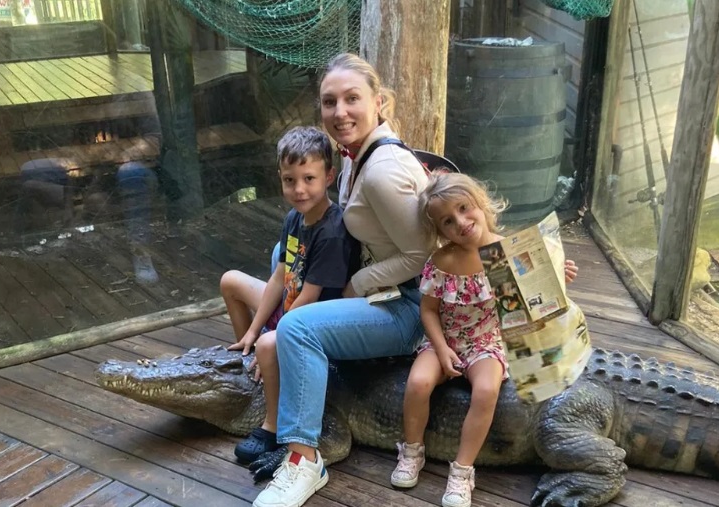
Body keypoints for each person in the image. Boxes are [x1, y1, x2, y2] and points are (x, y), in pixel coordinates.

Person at [251, 53, 431, 507]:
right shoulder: (355, 155)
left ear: (379, 102)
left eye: (352, 99)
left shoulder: (383, 170)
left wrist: (358, 284)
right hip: (380, 286)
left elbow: (420, 255)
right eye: (330, 102)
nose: (339, 112)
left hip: (406, 308)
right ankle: (275, 356)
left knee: (296, 327)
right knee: (282, 255)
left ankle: (303, 460)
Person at [389, 171, 578, 507]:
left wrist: (555, 275)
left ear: (480, 202)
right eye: (447, 221)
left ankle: (462, 470)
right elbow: (429, 311)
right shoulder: (442, 261)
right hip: (443, 339)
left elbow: (531, 303)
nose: (460, 222)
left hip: (486, 341)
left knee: (488, 390)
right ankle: (412, 450)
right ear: (439, 230)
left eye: (464, 208)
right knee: (417, 382)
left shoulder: (508, 253)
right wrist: (443, 348)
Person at [220, 126, 358, 464]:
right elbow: (281, 275)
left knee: (271, 343)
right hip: (292, 304)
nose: (299, 189)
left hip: (316, 320)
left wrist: (271, 334)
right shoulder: (295, 219)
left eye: (308, 179)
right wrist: (253, 330)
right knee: (231, 281)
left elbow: (309, 300)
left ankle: (273, 423)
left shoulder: (332, 232)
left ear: (329, 176)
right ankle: (254, 362)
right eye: (289, 180)